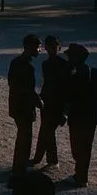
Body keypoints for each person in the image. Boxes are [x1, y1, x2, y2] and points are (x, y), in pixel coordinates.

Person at [64, 43, 97, 187]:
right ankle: (82, 175)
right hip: (90, 117)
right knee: (85, 147)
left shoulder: (73, 76)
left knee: (77, 146)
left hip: (77, 117)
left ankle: (81, 176)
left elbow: (68, 96)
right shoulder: (96, 73)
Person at [7, 34, 42, 186]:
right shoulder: (28, 66)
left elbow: (11, 82)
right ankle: (20, 169)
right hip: (25, 107)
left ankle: (18, 166)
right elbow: (28, 89)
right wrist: (38, 101)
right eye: (37, 47)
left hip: (16, 105)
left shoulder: (16, 62)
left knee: (21, 137)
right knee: (25, 139)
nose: (39, 50)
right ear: (30, 47)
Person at [31, 36, 69, 169]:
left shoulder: (59, 65)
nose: (51, 50)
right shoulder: (50, 65)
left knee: (46, 131)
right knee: (46, 131)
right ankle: (47, 159)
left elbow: (66, 89)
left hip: (56, 104)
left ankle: (44, 159)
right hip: (48, 103)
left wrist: (65, 110)